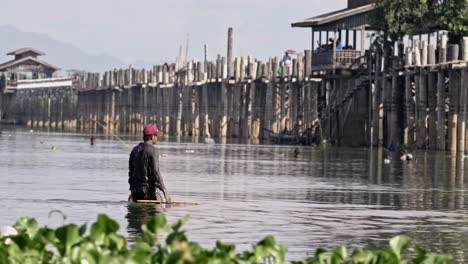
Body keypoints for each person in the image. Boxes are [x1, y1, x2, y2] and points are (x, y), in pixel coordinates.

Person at [128, 124, 171, 203]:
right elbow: (156, 173)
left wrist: (132, 191)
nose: (157, 138)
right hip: (148, 193)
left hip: (135, 192)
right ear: (152, 137)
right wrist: (165, 191)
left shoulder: (134, 150)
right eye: (157, 136)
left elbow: (131, 173)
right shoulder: (153, 151)